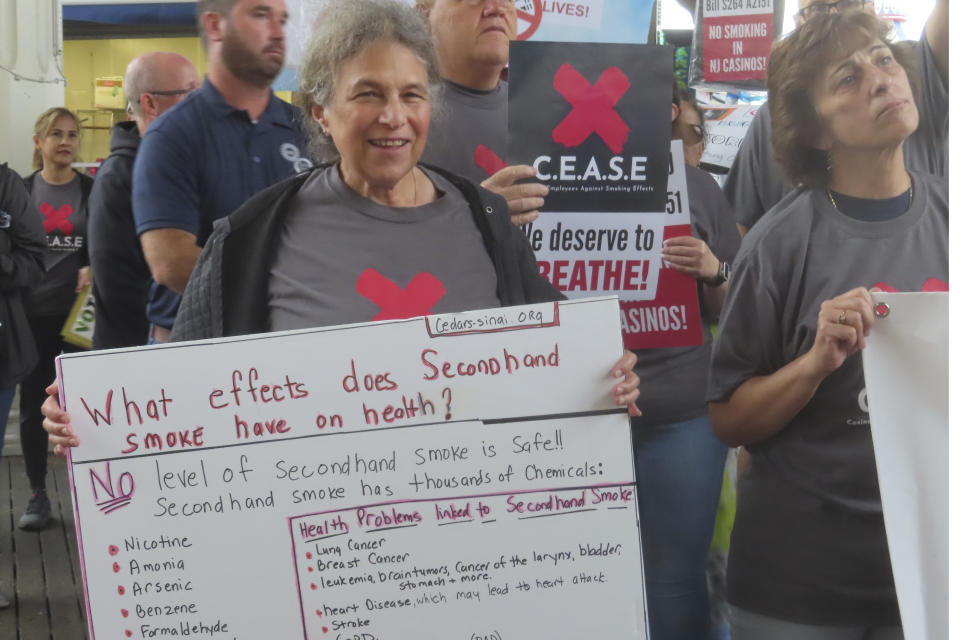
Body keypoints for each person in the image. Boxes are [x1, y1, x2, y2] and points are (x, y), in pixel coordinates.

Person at [42, 0, 639, 457]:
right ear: (322, 112)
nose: (394, 116)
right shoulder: (251, 237)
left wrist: (607, 375)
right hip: (325, 544)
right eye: (367, 94)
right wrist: (96, 418)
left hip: (465, 533)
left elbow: (555, 346)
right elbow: (185, 390)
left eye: (412, 93)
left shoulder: (486, 224)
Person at [707, 11, 947, 638]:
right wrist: (813, 364)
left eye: (883, 59)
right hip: (798, 590)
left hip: (931, 577)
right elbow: (729, 418)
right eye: (847, 77)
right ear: (814, 132)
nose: (880, 79)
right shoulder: (779, 244)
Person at [132, 0, 311, 344]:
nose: (278, 32)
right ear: (215, 26)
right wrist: (282, 291)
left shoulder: (303, 130)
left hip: (288, 342)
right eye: (261, 15)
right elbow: (172, 262)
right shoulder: (173, 136)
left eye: (283, 19)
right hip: (198, 347)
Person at [630, 81, 740, 640]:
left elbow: (731, 307)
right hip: (579, 413)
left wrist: (712, 268)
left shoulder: (698, 188)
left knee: (673, 580)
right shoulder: (546, 184)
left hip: (682, 417)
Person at [723, 0, 947, 235]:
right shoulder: (768, 120)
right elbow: (740, 228)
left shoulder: (920, 75)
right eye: (818, 9)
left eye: (849, 3)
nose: (881, 81)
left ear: (871, 7)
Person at [88, 52, 200, 350]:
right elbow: (120, 289)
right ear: (150, 103)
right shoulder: (120, 175)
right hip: (143, 354)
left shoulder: (183, 163)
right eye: (189, 93)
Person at [19, 107, 93, 531]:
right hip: (32, 314)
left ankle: (88, 493)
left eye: (72, 135)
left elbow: (107, 242)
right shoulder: (23, 191)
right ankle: (36, 492)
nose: (65, 142)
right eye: (55, 134)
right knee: (34, 406)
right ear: (38, 142)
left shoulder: (91, 189)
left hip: (79, 318)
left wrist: (93, 264)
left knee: (81, 407)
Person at [416, 0, 548, 225]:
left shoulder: (546, 114)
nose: (496, 7)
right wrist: (474, 213)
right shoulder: (392, 118)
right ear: (424, 16)